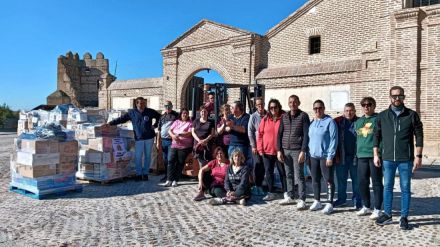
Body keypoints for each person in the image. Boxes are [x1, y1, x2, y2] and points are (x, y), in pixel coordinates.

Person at [374, 86, 423, 230]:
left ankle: (404, 217)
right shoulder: (382, 116)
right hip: (387, 158)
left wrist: (418, 156)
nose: (397, 98)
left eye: (400, 96)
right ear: (390, 97)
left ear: (404, 97)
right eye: (394, 96)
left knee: (405, 188)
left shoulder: (412, 115)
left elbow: (419, 135)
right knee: (387, 187)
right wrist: (376, 154)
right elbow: (376, 136)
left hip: (405, 159)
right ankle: (388, 215)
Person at [105, 97, 161, 180]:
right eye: (140, 103)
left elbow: (159, 117)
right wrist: (110, 123)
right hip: (139, 138)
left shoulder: (150, 111)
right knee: (138, 157)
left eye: (143, 103)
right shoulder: (132, 112)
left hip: (149, 137)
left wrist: (155, 125)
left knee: (147, 156)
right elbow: (122, 119)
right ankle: (138, 174)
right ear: (136, 104)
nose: (142, 105)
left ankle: (145, 174)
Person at [277, 95, 310, 209]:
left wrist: (303, 151)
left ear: (299, 103)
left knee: (299, 175)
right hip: (285, 150)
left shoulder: (303, 116)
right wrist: (279, 150)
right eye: (290, 102)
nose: (293, 104)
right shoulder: (284, 116)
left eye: (295, 102)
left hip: (297, 150)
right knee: (288, 174)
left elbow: (306, 135)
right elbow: (279, 134)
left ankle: (302, 199)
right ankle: (290, 196)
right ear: (288, 103)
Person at [355, 97, 383, 219]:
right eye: (364, 105)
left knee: (376, 183)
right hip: (361, 156)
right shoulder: (358, 121)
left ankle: (377, 209)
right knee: (362, 182)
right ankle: (366, 206)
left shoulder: (378, 119)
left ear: (374, 105)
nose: (366, 107)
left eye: (369, 104)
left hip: (374, 156)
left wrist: (379, 154)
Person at [308, 100, 338, 215]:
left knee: (328, 180)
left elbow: (334, 140)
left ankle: (329, 203)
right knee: (315, 180)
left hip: (325, 157)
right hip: (313, 156)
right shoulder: (313, 122)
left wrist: (330, 156)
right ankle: (317, 200)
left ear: (324, 108)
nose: (317, 110)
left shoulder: (330, 122)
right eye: (315, 108)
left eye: (320, 108)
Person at [333, 103, 362, 209]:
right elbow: (333, 139)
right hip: (341, 156)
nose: (349, 112)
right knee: (341, 180)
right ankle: (341, 199)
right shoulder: (337, 122)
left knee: (356, 180)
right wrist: (335, 154)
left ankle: (357, 200)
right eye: (347, 110)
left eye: (351, 110)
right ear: (343, 111)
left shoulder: (360, 122)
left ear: (354, 111)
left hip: (355, 157)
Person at [257, 99, 286, 202]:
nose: (273, 109)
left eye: (275, 107)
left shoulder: (284, 118)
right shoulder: (265, 119)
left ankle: (286, 192)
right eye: (271, 108)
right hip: (267, 151)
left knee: (283, 172)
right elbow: (260, 135)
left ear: (279, 107)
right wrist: (260, 149)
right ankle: (271, 192)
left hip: (279, 151)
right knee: (268, 172)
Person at [162, 108, 193, 187]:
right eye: (183, 113)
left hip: (184, 146)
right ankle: (169, 179)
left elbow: (189, 133)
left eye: (186, 113)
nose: (185, 115)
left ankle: (176, 180)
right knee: (170, 161)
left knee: (180, 163)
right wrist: (173, 136)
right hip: (174, 144)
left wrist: (179, 135)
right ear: (181, 114)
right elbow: (170, 130)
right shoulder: (176, 122)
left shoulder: (190, 123)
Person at [248, 97, 266, 196]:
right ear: (256, 106)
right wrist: (253, 146)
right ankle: (256, 185)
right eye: (258, 105)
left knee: (263, 165)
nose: (260, 107)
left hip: (266, 146)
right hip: (257, 146)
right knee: (257, 164)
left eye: (262, 104)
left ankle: (260, 184)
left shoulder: (268, 115)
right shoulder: (253, 116)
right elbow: (250, 132)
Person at [225, 101, 252, 168]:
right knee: (231, 164)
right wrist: (230, 127)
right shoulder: (230, 116)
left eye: (232, 107)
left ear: (237, 108)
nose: (230, 109)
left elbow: (243, 129)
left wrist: (232, 126)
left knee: (242, 164)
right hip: (232, 144)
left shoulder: (246, 117)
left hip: (242, 145)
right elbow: (227, 128)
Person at [157, 101, 179, 182]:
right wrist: (158, 142)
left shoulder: (176, 115)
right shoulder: (162, 117)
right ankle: (167, 175)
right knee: (165, 159)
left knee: (171, 159)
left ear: (172, 106)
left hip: (171, 141)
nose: (168, 107)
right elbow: (159, 130)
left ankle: (171, 176)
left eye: (169, 106)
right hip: (163, 141)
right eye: (166, 106)